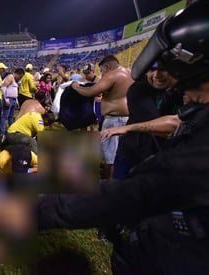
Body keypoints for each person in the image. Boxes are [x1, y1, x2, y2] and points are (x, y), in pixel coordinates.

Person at [38, 2, 209, 273]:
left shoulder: (193, 158)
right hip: (164, 236)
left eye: (180, 78)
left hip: (167, 257)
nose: (177, 88)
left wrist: (37, 209)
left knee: (114, 177)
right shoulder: (149, 93)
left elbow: (128, 194)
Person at [105, 62, 183, 180]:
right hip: (133, 155)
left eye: (163, 69)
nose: (157, 75)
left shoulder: (186, 90)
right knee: (120, 193)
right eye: (152, 70)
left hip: (167, 158)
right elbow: (165, 128)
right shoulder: (138, 90)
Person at [71, 55, 133, 179]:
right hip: (126, 118)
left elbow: (90, 92)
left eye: (103, 71)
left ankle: (109, 184)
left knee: (110, 157)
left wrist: (75, 86)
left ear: (108, 66)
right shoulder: (129, 72)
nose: (103, 74)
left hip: (115, 119)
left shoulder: (113, 74)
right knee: (120, 154)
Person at [0, 68, 25, 143]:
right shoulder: (10, 77)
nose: (20, 78)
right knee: (5, 116)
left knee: (11, 117)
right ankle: (2, 132)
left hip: (13, 100)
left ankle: (12, 130)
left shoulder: (16, 80)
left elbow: (15, 91)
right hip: (8, 99)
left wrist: (16, 101)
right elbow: (3, 87)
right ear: (17, 74)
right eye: (20, 76)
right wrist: (6, 99)